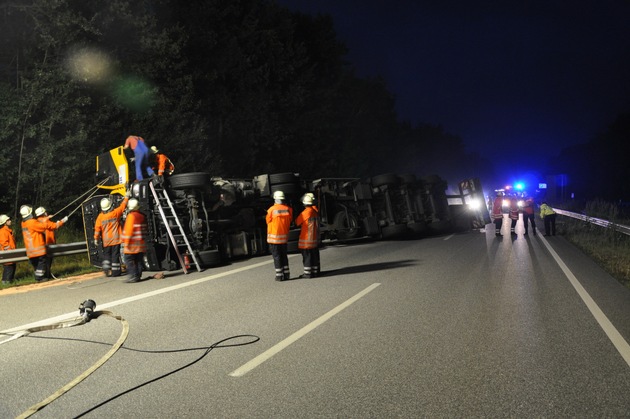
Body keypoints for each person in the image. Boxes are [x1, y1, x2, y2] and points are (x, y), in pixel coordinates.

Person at [20, 205, 67, 282]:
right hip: (37, 248)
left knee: (36, 265)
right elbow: (43, 227)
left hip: (30, 249)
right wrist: (58, 222)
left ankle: (41, 276)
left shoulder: (23, 223)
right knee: (42, 263)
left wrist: (47, 218)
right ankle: (39, 278)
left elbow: (38, 223)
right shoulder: (32, 222)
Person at [94, 193, 129, 277]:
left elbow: (97, 229)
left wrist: (96, 239)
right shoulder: (115, 213)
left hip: (106, 241)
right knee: (115, 256)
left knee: (107, 256)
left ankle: (106, 269)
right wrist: (127, 197)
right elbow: (122, 206)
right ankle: (115, 272)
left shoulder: (100, 217)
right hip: (116, 239)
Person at [266, 190, 293, 281]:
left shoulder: (271, 210)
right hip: (284, 237)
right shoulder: (289, 209)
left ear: (275, 199)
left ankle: (279, 275)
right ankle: (286, 274)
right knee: (284, 255)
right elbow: (290, 220)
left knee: (277, 256)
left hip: (274, 238)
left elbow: (267, 221)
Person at [122, 198, 147, 283]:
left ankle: (133, 276)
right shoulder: (142, 216)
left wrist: (126, 242)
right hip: (141, 244)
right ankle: (138, 275)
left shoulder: (131, 216)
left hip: (131, 244)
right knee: (138, 260)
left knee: (129, 260)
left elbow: (129, 230)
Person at [295, 193, 320, 278]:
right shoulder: (315, 211)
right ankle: (315, 271)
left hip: (306, 239)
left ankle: (308, 273)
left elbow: (297, 222)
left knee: (307, 257)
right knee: (314, 256)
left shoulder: (306, 213)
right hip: (314, 239)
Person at [35, 206, 60, 279]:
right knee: (48, 261)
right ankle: (47, 275)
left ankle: (47, 275)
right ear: (43, 213)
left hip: (42, 244)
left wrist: (48, 217)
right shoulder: (46, 221)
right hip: (49, 242)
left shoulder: (37, 221)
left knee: (45, 261)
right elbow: (54, 226)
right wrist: (60, 222)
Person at [0, 215, 16, 285]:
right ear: (4, 222)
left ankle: (9, 282)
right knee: (8, 268)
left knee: (11, 268)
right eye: (8, 220)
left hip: (10, 253)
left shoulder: (8, 231)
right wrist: (10, 252)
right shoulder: (3, 231)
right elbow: (4, 244)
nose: (10, 221)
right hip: (8, 254)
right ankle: (5, 283)